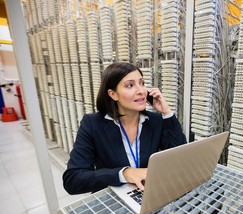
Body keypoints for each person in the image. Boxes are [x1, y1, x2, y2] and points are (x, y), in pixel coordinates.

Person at [63, 62, 187, 195]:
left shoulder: (155, 121)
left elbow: (180, 159)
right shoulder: (93, 124)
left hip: (147, 195)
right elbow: (72, 180)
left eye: (142, 83)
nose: (141, 91)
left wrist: (166, 113)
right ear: (113, 94)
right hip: (112, 200)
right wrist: (124, 173)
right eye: (130, 85)